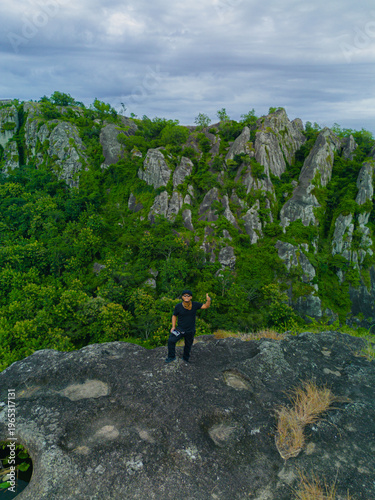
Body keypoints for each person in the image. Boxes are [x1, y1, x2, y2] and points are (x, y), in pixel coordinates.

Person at [165, 290, 211, 363]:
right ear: (182, 297)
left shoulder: (195, 304)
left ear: (191, 297)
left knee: (188, 345)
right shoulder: (178, 306)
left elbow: (206, 306)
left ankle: (185, 359)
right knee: (171, 340)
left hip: (190, 330)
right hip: (180, 329)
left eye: (188, 296)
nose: (186, 297)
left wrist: (208, 300)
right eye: (185, 295)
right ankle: (171, 357)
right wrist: (173, 326)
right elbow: (174, 315)